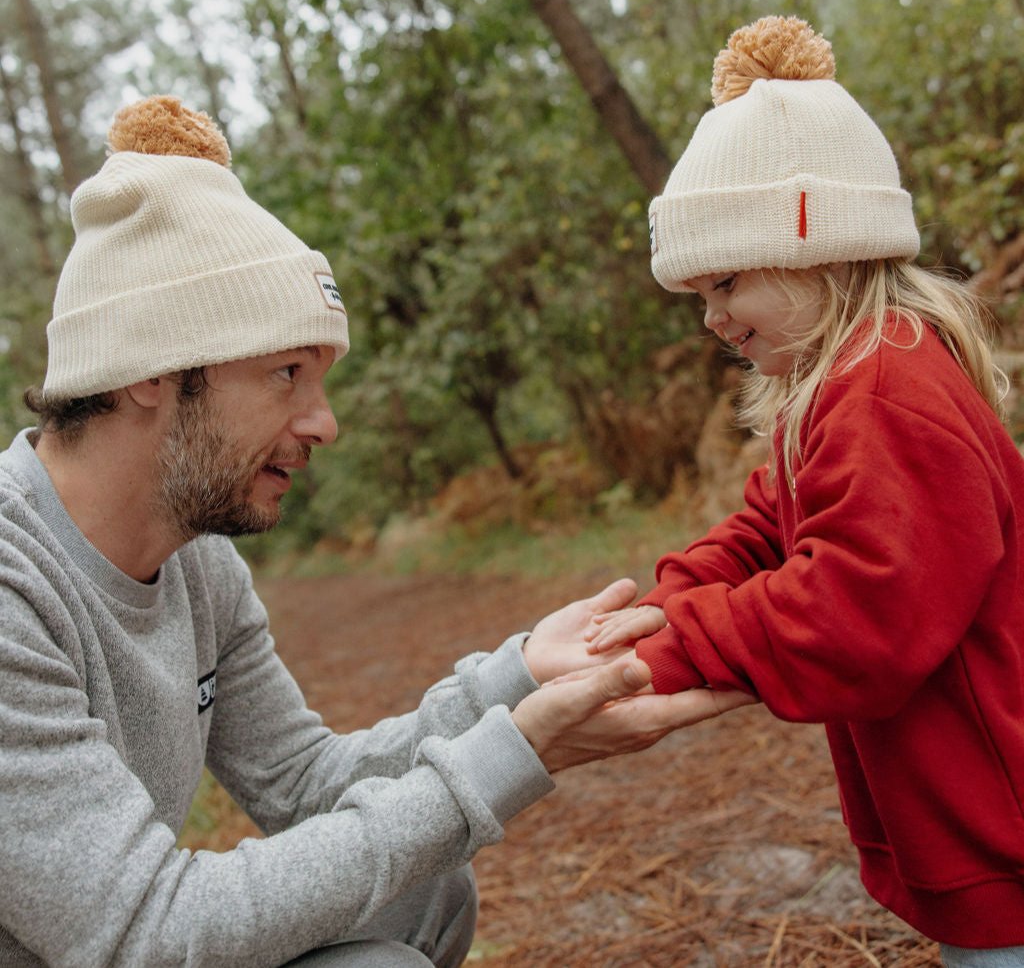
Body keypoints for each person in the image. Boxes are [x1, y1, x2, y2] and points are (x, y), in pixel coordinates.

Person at [0, 95, 751, 968]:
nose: (324, 424)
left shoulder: (196, 563)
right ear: (150, 375)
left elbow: (305, 785)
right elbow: (148, 931)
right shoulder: (15, 586)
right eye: (286, 373)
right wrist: (504, 760)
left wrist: (516, 680)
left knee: (424, 889)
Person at [585, 16, 1024, 964]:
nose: (711, 319)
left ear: (818, 249)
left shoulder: (888, 394)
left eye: (727, 282)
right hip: (973, 812)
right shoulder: (850, 382)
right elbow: (768, 527)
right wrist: (655, 617)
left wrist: (673, 654)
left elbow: (855, 614)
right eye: (697, 295)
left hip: (1004, 825)